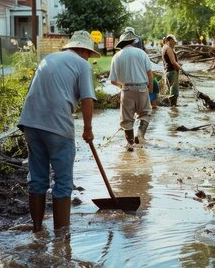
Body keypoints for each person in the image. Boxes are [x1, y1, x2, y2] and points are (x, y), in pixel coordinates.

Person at [18, 30, 100, 233]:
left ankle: (37, 230)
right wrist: (88, 130)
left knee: (37, 178)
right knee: (63, 181)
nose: (88, 57)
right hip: (57, 126)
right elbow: (87, 99)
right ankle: (61, 239)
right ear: (83, 50)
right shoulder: (82, 64)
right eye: (89, 53)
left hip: (30, 122)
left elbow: (32, 91)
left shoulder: (49, 58)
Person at [109, 30, 153, 147]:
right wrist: (150, 88)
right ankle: (139, 135)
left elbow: (112, 80)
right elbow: (149, 72)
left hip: (126, 90)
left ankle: (130, 144)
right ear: (133, 41)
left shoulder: (116, 56)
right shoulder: (141, 53)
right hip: (142, 87)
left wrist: (122, 86)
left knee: (126, 120)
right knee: (146, 113)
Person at [161, 35, 182, 107]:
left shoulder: (164, 47)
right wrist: (182, 70)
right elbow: (173, 62)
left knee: (169, 92)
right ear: (169, 40)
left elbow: (168, 61)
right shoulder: (168, 48)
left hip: (168, 72)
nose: (174, 44)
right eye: (174, 42)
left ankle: (171, 109)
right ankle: (173, 109)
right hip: (172, 72)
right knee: (174, 93)